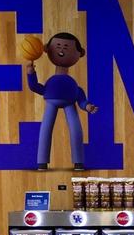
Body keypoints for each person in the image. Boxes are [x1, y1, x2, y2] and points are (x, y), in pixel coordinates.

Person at [27, 32, 98, 171]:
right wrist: (30, 72)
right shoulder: (54, 83)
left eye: (66, 47)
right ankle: (42, 162)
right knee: (45, 129)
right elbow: (34, 86)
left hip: (70, 101)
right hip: (54, 101)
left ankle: (78, 162)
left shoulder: (72, 85)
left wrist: (87, 106)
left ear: (80, 53)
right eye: (58, 46)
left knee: (75, 129)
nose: (61, 50)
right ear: (47, 49)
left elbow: (81, 99)